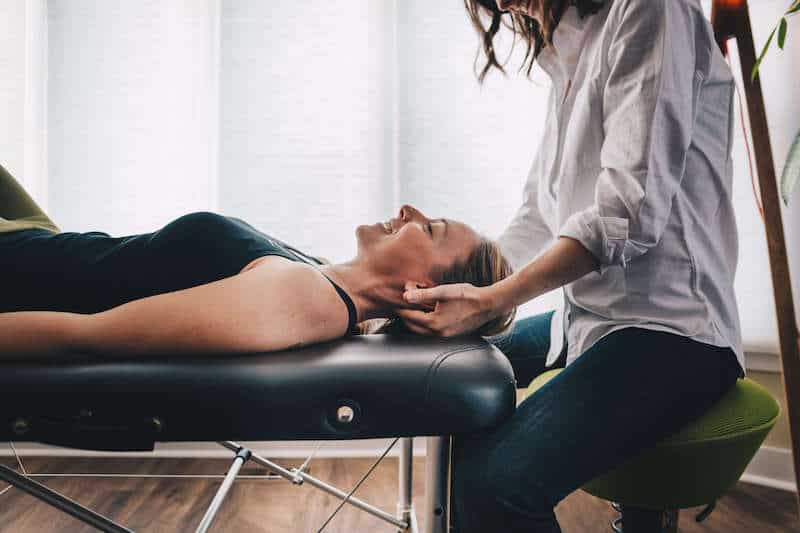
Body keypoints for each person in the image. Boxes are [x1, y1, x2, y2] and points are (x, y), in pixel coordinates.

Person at [398, 0, 745, 531]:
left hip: (675, 334)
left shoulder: (650, 10)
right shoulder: (570, 51)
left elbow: (628, 211)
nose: (507, 8)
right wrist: (460, 290)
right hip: (586, 322)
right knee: (452, 380)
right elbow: (540, 212)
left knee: (496, 483)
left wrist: (495, 300)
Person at [0, 163, 515, 359]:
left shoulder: (305, 301)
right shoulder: (316, 279)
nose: (409, 211)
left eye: (428, 228)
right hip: (36, 243)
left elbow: (84, 334)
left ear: (424, 291)